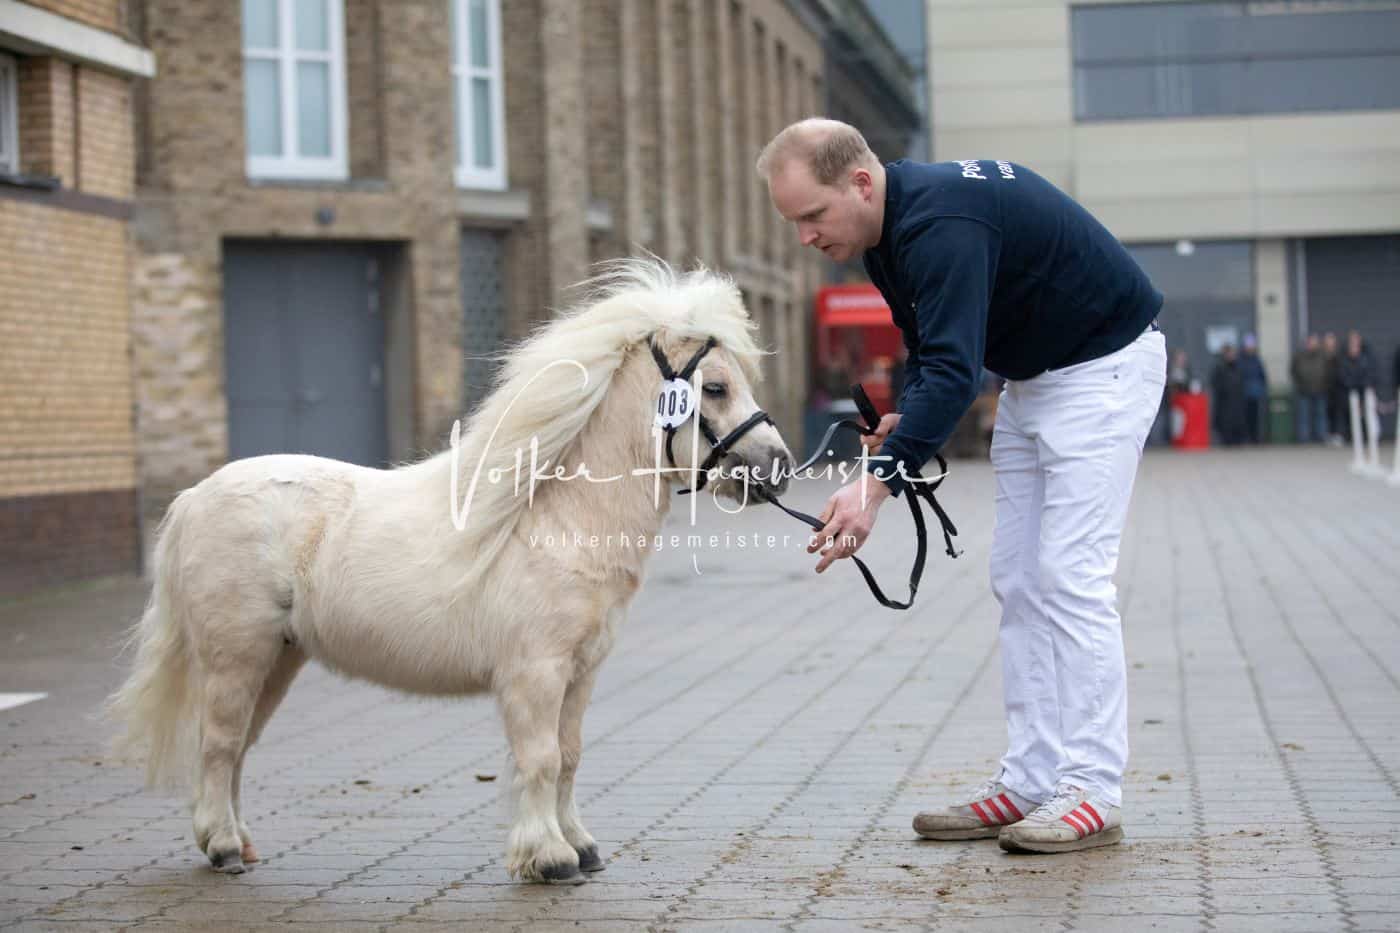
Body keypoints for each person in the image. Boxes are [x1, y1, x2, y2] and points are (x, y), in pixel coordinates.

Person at [757, 119, 1165, 854]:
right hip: (1034, 380)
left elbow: (953, 370)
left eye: (812, 215)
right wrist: (905, 424)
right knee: (1018, 576)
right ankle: (1033, 779)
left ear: (860, 182)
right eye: (794, 222)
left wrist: (874, 486)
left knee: (1070, 576)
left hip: (1104, 370)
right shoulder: (888, 232)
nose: (805, 237)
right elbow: (930, 350)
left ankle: (1093, 790)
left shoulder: (940, 223)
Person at [1290, 334, 1329, 443]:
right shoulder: (1299, 356)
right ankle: (1304, 438)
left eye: (1314, 342)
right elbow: (1293, 371)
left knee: (1320, 415)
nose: (1313, 344)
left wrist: (1324, 385)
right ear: (1307, 344)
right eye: (1311, 342)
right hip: (1304, 391)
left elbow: (1328, 372)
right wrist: (1300, 384)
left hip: (1320, 390)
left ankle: (1321, 436)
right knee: (1304, 416)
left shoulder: (1322, 356)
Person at [1210, 344, 1247, 445]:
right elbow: (1215, 384)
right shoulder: (1219, 368)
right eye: (1229, 353)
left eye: (1233, 353)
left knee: (1238, 426)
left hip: (1237, 402)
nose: (1231, 356)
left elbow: (1242, 382)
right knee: (1225, 428)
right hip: (1224, 404)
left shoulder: (1238, 367)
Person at [1238, 334, 1268, 443]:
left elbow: (1262, 376)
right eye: (1248, 347)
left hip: (1255, 394)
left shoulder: (1256, 360)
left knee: (1255, 417)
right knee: (1245, 417)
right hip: (1244, 394)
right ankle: (1246, 437)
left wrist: (1262, 388)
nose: (1250, 349)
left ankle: (1255, 438)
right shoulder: (1241, 360)